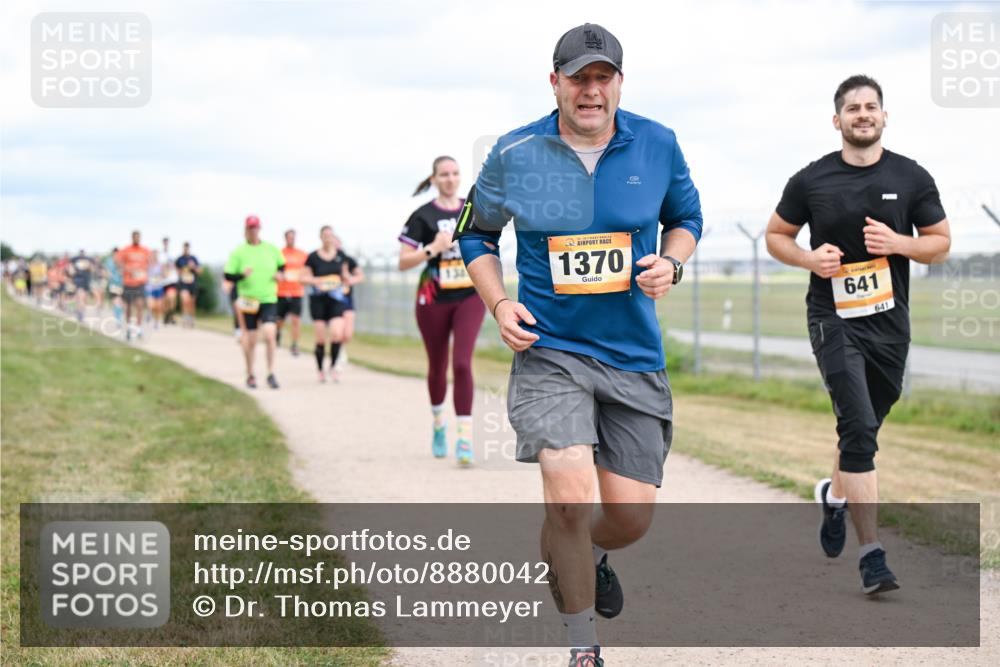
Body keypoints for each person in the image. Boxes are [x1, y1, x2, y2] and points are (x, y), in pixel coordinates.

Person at [456, 24, 702, 667]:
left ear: (619, 82)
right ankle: (582, 643)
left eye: (603, 77)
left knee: (629, 518)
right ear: (555, 82)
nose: (591, 90)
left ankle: (585, 556)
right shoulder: (515, 151)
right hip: (550, 349)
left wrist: (671, 264)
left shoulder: (658, 143)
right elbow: (476, 236)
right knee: (567, 493)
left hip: (632, 355)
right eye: (578, 77)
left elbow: (687, 221)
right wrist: (500, 303)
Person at [765, 75, 951, 595]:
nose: (862, 114)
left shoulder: (912, 177)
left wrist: (897, 242)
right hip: (833, 318)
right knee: (860, 430)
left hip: (890, 325)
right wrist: (807, 258)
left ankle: (835, 495)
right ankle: (872, 556)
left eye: (871, 107)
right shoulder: (812, 180)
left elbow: (940, 244)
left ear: (884, 116)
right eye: (853, 108)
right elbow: (776, 235)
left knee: (863, 426)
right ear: (837, 120)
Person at [398, 156, 486, 464]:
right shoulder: (423, 215)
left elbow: (488, 244)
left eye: (455, 173)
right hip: (433, 298)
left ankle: (464, 439)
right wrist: (432, 248)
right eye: (443, 175)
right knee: (437, 366)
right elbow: (403, 261)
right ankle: (438, 424)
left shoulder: (471, 210)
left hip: (469, 295)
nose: (450, 179)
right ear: (434, 179)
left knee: (461, 363)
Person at [224, 215, 286, 389]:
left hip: (268, 298)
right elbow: (228, 275)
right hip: (248, 300)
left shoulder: (271, 249)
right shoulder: (239, 252)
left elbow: (282, 265)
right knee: (250, 339)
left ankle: (270, 372)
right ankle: (250, 373)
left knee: (270, 332)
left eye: (255, 227)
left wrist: (280, 275)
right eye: (250, 227)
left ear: (260, 228)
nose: (253, 230)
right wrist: (242, 275)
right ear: (246, 230)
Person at [303, 226, 351, 383]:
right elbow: (302, 278)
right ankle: (320, 370)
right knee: (321, 338)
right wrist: (317, 281)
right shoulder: (313, 257)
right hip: (318, 300)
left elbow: (345, 275)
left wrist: (346, 282)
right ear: (320, 237)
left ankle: (333, 366)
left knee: (337, 333)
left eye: (330, 235)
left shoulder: (340, 256)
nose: (328, 238)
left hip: (336, 299)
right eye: (325, 235)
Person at [115, 231, 153, 341]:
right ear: (132, 238)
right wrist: (125, 268)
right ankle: (129, 328)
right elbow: (117, 260)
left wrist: (145, 269)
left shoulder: (145, 250)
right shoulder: (126, 250)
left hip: (140, 282)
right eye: (135, 237)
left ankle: (139, 328)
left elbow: (151, 261)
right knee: (129, 307)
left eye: (138, 237)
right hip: (128, 282)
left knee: (140, 304)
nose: (137, 239)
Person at [334, 234, 364, 368]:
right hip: (333, 300)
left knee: (347, 333)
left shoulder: (347, 260)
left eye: (337, 243)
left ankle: (341, 347)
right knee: (337, 330)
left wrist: (350, 280)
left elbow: (360, 275)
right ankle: (337, 353)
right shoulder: (325, 260)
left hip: (347, 299)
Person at [276, 228, 307, 356]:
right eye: (288, 237)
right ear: (285, 238)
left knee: (295, 320)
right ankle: (277, 334)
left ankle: (294, 344)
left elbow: (307, 271)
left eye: (293, 237)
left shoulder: (302, 254)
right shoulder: (279, 253)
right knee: (279, 320)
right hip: (281, 292)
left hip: (296, 292)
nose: (291, 239)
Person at [175, 241, 202, 328]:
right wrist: (183, 270)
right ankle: (185, 318)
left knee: (192, 302)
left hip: (192, 283)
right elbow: (176, 271)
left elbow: (200, 271)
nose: (186, 249)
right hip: (183, 283)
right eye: (185, 248)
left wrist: (193, 267)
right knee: (185, 300)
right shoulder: (179, 259)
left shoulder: (194, 259)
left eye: (187, 248)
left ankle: (191, 319)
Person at [68, 249, 97, 321]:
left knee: (82, 298)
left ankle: (80, 311)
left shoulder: (88, 260)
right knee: (80, 297)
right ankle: (80, 313)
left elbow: (92, 269)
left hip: (85, 281)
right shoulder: (75, 259)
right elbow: (71, 269)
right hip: (79, 280)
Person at [160, 237, 179, 325]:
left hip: (172, 280)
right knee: (166, 301)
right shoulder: (160, 255)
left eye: (167, 242)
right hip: (164, 281)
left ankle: (172, 315)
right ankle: (167, 315)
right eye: (164, 242)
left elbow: (176, 266)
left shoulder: (173, 253)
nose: (166, 244)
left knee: (172, 298)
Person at [103, 248, 124, 324]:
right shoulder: (109, 261)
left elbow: (123, 270)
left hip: (121, 283)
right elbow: (106, 272)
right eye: (115, 254)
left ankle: (118, 317)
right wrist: (109, 276)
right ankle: (117, 318)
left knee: (120, 301)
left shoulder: (121, 260)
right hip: (113, 284)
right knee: (116, 301)